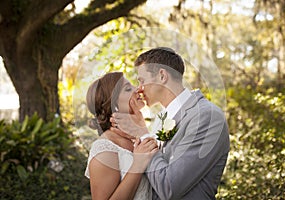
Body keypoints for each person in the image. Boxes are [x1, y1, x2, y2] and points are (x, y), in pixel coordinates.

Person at [110, 47, 230, 199]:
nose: (139, 89)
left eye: (142, 81)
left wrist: (143, 134)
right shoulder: (161, 119)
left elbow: (169, 187)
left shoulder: (207, 116)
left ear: (162, 76)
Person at [84, 72, 158, 200]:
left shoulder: (139, 135)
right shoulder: (105, 149)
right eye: (128, 89)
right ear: (113, 104)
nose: (138, 89)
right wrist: (138, 165)